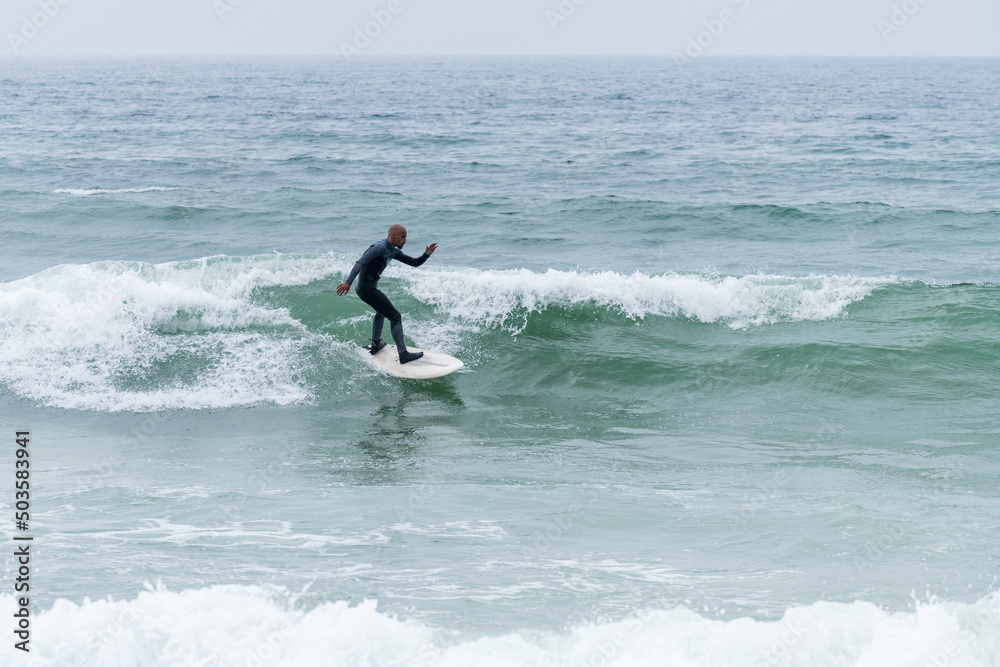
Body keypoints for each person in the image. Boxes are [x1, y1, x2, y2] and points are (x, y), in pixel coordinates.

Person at [336, 224, 438, 364]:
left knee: (382, 311)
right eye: (403, 237)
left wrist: (426, 255)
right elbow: (360, 262)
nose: (405, 240)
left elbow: (414, 263)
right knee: (395, 317)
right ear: (392, 236)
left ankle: (376, 344)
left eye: (406, 237)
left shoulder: (393, 251)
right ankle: (403, 354)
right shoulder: (380, 247)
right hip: (366, 289)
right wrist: (348, 282)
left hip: (369, 288)